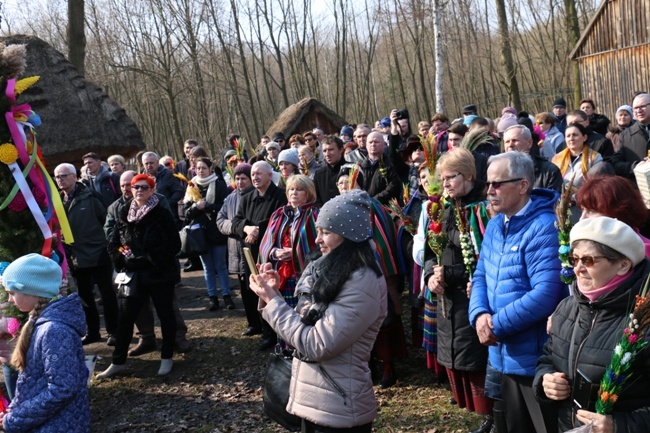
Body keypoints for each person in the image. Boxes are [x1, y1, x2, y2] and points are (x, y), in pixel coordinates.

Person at [249, 189, 387, 433]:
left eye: (327, 232)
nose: (318, 239)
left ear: (348, 236)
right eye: (319, 231)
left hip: (339, 408)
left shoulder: (362, 280)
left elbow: (317, 344)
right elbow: (305, 323)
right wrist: (274, 294)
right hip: (317, 401)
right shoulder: (328, 269)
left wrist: (273, 303)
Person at [468, 151, 567, 433]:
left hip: (532, 360)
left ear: (523, 186)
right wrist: (479, 315)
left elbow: (546, 292)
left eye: (498, 184)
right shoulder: (498, 224)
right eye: (488, 184)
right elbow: (482, 275)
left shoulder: (544, 227)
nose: (489, 191)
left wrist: (496, 324)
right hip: (502, 354)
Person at [534, 217, 650, 432]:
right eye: (574, 259)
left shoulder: (645, 320)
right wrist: (545, 381)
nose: (578, 268)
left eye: (588, 260)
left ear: (623, 265)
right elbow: (548, 358)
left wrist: (618, 426)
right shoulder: (567, 307)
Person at [423, 148, 493, 433]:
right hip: (447, 298)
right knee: (459, 359)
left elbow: (486, 259)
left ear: (469, 176)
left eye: (452, 177)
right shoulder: (444, 209)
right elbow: (429, 251)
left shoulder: (482, 209)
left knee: (479, 360)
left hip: (471, 297)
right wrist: (430, 276)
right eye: (443, 178)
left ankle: (495, 415)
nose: (447, 183)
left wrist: (450, 274)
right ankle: (485, 415)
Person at [98, 174, 181, 378]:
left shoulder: (161, 213)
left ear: (152, 190)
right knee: (125, 319)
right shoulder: (123, 212)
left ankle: (167, 357)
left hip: (159, 274)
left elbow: (173, 244)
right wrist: (126, 257)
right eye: (136, 187)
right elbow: (115, 241)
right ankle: (118, 361)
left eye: (145, 187)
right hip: (133, 274)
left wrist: (148, 258)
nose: (139, 190)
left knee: (166, 316)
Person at [0, 254, 90, 432]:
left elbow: (62, 388)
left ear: (32, 290)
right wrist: (14, 410)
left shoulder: (54, 330)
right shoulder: (41, 323)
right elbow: (34, 382)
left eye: (12, 293)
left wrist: (16, 419)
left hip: (59, 426)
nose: (9, 300)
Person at [54, 163, 118, 346]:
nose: (60, 180)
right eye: (57, 177)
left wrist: (105, 247)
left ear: (75, 177)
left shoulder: (91, 197)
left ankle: (114, 331)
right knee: (84, 297)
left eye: (64, 176)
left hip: (98, 254)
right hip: (75, 257)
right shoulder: (57, 201)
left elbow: (107, 222)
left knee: (107, 295)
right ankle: (93, 331)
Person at [231, 161, 288, 349]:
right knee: (256, 290)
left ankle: (278, 331)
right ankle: (265, 330)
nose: (255, 177)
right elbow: (237, 220)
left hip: (272, 252)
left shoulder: (281, 195)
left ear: (270, 176)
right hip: (251, 252)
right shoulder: (247, 197)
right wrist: (247, 228)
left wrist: (258, 230)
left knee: (273, 291)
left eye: (259, 174)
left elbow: (279, 218)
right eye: (253, 174)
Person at [258, 175, 319, 345]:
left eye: (299, 189)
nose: (294, 193)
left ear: (308, 193)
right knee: (282, 313)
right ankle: (284, 348)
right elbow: (266, 243)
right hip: (281, 277)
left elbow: (319, 245)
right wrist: (274, 252)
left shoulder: (314, 215)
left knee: (301, 315)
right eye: (291, 189)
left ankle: (302, 347)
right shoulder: (279, 214)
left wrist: (295, 253)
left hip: (303, 277)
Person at [184, 157, 233, 311]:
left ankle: (227, 295)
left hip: (217, 231)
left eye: (203, 168)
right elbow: (185, 213)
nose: (200, 171)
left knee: (221, 265)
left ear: (210, 169)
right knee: (207, 267)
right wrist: (195, 208)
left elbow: (225, 207)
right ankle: (212, 297)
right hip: (200, 234)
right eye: (198, 168)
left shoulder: (218, 184)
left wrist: (209, 206)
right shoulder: (191, 186)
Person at [576, 175, 650, 256]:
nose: (582, 219)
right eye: (583, 209)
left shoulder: (643, 252)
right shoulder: (586, 247)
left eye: (592, 211)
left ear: (618, 212)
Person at [217, 163, 254, 313]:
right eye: (237, 178)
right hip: (235, 248)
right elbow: (220, 220)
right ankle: (252, 323)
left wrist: (245, 228)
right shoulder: (230, 198)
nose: (240, 182)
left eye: (243, 178)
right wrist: (235, 227)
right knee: (244, 289)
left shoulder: (256, 195)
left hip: (251, 246)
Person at [503, 125, 563, 192]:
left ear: (529, 143)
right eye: (507, 142)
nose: (510, 145)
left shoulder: (549, 171)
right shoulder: (499, 170)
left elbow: (553, 200)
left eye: (514, 140)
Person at [552, 123, 602, 189]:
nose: (571, 138)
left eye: (575, 135)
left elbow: (597, 183)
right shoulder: (557, 158)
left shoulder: (595, 157)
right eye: (568, 136)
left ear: (584, 138)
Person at [313, 135, 346, 206]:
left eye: (331, 150)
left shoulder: (352, 170)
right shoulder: (319, 174)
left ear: (341, 150)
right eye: (324, 151)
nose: (327, 154)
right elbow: (316, 199)